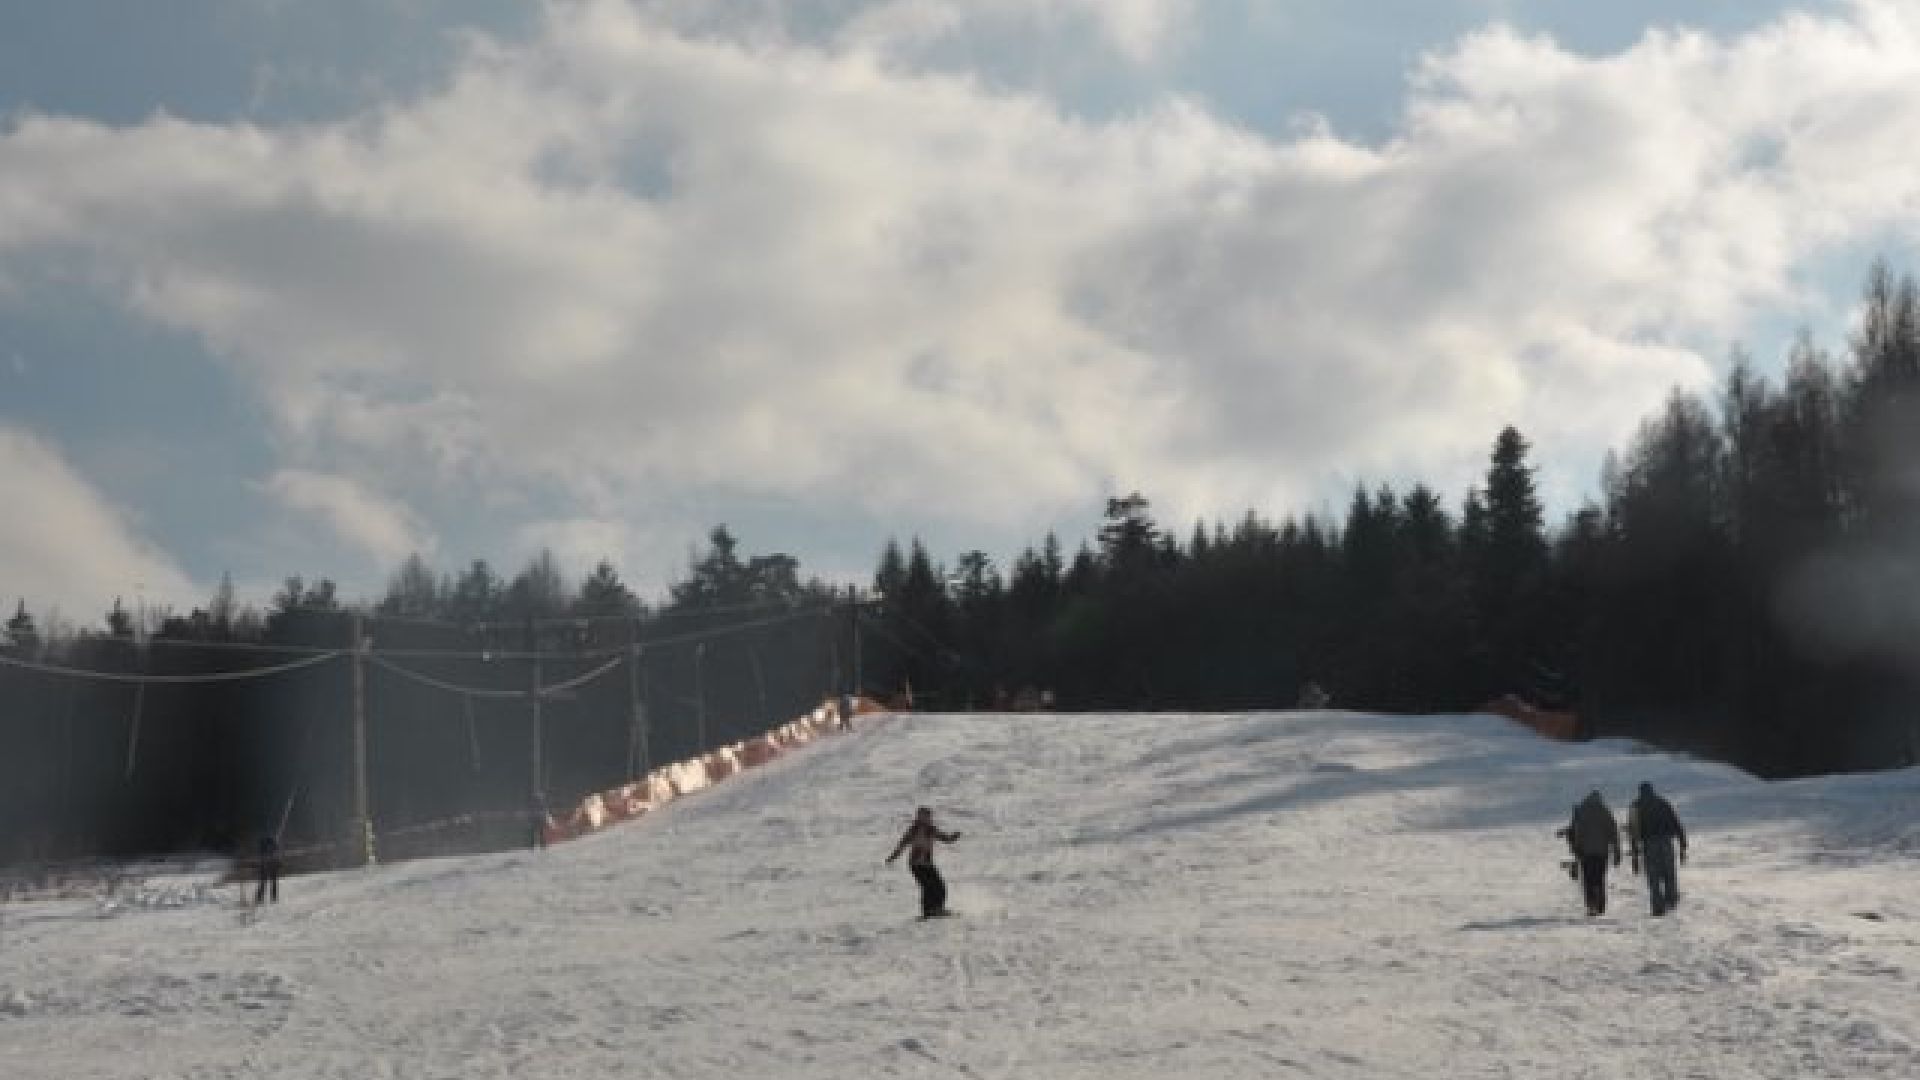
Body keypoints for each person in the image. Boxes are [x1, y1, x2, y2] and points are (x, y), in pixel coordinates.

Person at [886, 806, 960, 918]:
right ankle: (928, 911)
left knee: (940, 887)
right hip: (916, 864)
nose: (926, 819)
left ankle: (938, 908)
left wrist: (953, 837)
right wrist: (892, 857)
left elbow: (946, 839)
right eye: (922, 816)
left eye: (927, 816)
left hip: (928, 863)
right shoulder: (913, 830)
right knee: (927, 886)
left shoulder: (932, 830)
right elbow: (902, 845)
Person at [1627, 781, 1689, 916]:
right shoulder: (1663, 803)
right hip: (1666, 842)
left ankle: (1658, 907)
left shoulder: (1635, 806)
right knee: (1669, 873)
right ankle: (1671, 901)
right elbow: (1676, 822)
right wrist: (1682, 843)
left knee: (1653, 876)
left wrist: (1635, 853)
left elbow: (1633, 830)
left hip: (1649, 845)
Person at [1566, 790, 1621, 916]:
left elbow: (1577, 830)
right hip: (1602, 852)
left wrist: (1576, 847)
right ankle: (1601, 905)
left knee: (1588, 879)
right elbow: (1612, 830)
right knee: (1599, 878)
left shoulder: (1582, 810)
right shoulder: (1604, 811)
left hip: (1586, 852)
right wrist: (1616, 849)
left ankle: (1591, 905)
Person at [255, 835, 282, 905]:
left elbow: (277, 857)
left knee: (269, 883)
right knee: (265, 883)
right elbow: (276, 857)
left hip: (271, 866)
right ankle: (261, 898)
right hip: (267, 866)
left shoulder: (272, 848)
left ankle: (269, 898)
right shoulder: (266, 849)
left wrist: (278, 863)